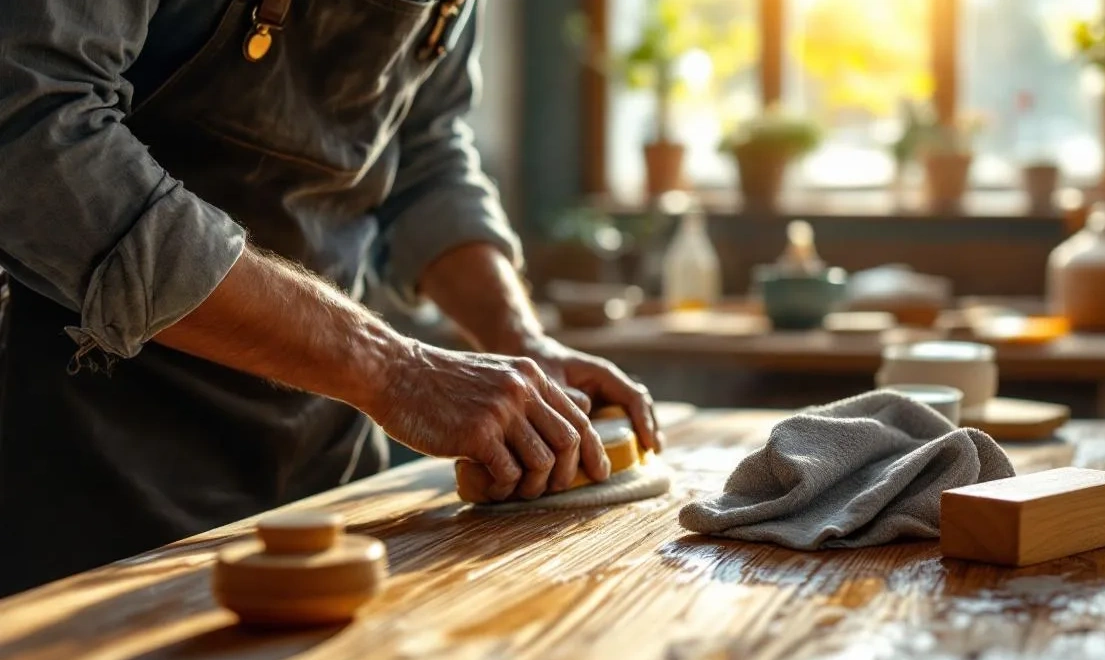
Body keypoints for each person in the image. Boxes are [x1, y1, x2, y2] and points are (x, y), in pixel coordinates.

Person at [0, 0, 660, 597]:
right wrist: (394, 371)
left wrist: (520, 341)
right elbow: (34, 137)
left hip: (326, 452)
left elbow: (428, 162)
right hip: (82, 450)